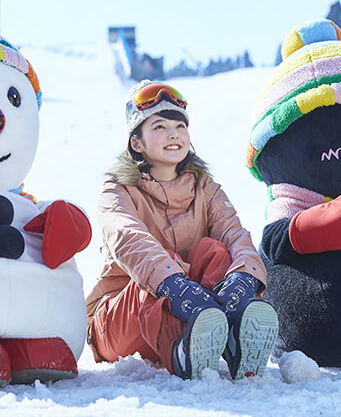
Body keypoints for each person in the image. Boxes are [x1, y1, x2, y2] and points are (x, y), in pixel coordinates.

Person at [86, 80, 278, 380]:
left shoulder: (206, 188)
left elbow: (235, 234)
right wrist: (173, 286)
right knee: (158, 267)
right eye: (159, 126)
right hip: (119, 323)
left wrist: (244, 278)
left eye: (180, 126)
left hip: (191, 312)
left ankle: (236, 332)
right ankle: (184, 349)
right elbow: (128, 239)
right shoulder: (116, 191)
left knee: (215, 253)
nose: (173, 133)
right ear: (137, 143)